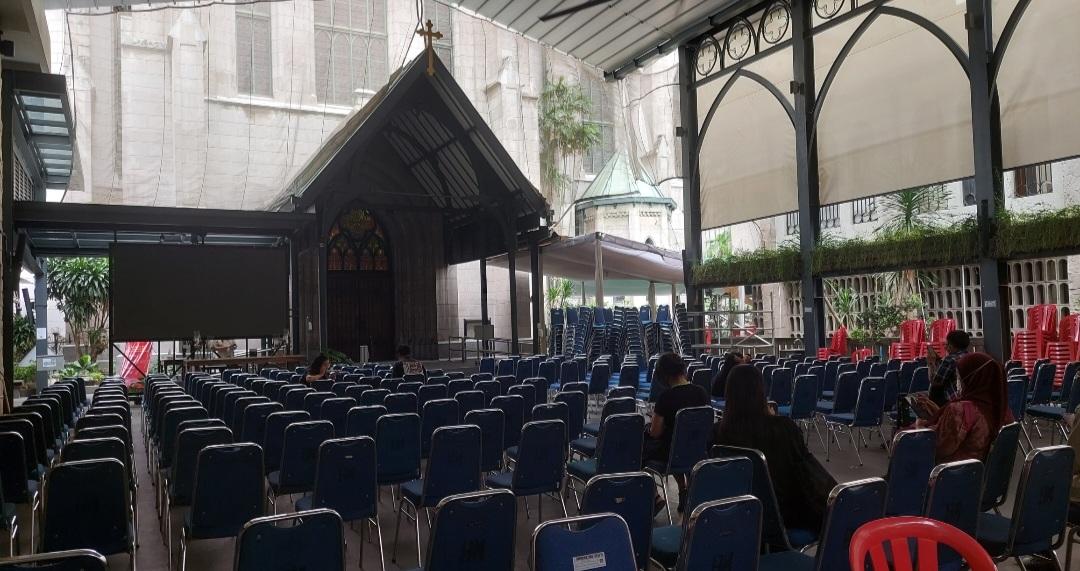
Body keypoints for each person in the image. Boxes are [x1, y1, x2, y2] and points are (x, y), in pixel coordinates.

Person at [713, 364, 836, 537]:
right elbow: (806, 471)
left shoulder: (717, 433)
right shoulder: (784, 428)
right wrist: (774, 419)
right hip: (786, 515)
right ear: (761, 392)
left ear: (729, 395)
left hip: (737, 516)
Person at [914, 352, 1013, 463]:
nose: (958, 381)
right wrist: (939, 413)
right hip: (980, 470)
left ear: (971, 378)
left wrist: (920, 427)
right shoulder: (1001, 409)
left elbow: (938, 448)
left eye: (959, 376)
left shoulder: (960, 410)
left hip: (950, 470)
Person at [645, 352, 709, 512]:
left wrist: (652, 422)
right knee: (680, 443)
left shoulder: (665, 397)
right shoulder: (701, 392)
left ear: (663, 375)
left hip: (671, 455)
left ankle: (655, 497)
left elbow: (655, 432)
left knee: (640, 450)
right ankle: (684, 491)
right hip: (697, 451)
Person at [925, 330, 972, 406]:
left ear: (951, 346)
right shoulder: (970, 356)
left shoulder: (950, 360)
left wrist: (931, 363)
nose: (945, 347)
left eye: (946, 344)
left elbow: (935, 381)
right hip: (968, 397)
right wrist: (938, 360)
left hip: (953, 399)